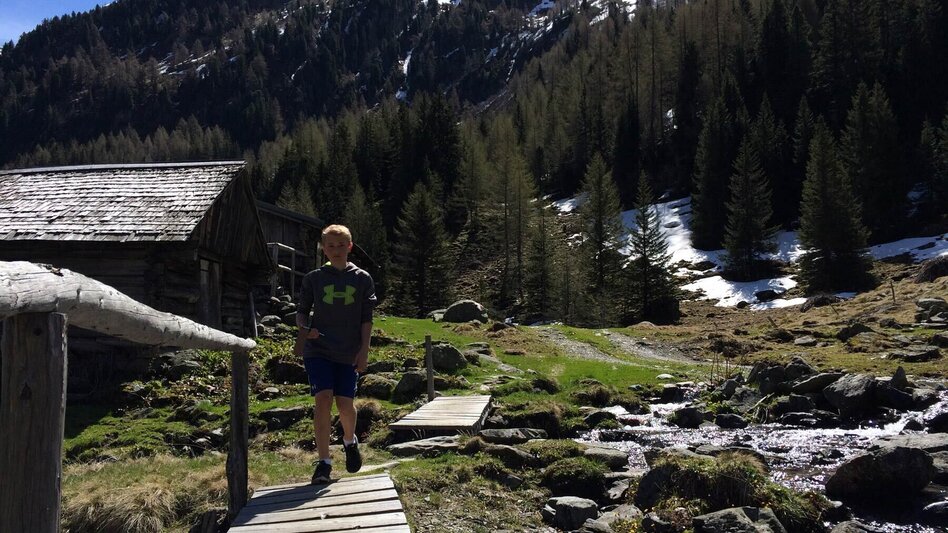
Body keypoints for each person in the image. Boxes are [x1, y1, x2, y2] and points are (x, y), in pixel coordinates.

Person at [296, 224, 376, 484]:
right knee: (323, 398)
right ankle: (324, 463)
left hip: (348, 351)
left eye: (341, 245)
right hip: (318, 350)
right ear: (324, 248)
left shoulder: (362, 278)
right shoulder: (314, 279)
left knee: (344, 405)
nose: (336, 250)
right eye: (330, 246)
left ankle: (349, 442)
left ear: (350, 246)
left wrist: (364, 351)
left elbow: (367, 319)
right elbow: (301, 312)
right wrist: (306, 329)